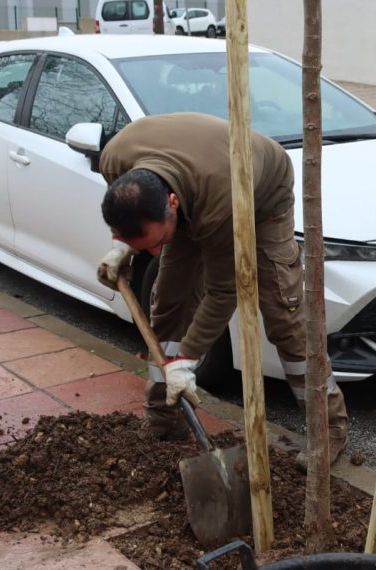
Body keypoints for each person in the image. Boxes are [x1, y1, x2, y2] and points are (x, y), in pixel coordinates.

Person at [96, 112, 349, 464]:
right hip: (196, 188)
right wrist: (123, 245)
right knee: (169, 302)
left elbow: (224, 292)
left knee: (284, 318)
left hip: (258, 200)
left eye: (159, 241)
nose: (155, 253)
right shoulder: (115, 158)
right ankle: (164, 416)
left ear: (172, 204)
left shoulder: (222, 200)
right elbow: (132, 217)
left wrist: (187, 360)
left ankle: (329, 430)